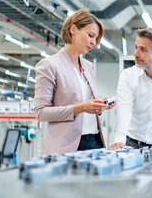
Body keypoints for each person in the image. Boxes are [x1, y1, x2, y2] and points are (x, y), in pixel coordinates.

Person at [34, 9, 115, 154]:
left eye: (96, 39)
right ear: (73, 29)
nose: (93, 42)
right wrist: (80, 108)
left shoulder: (88, 66)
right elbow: (41, 112)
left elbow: (84, 102)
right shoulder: (49, 65)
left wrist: (99, 105)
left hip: (94, 141)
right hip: (66, 145)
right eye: (90, 35)